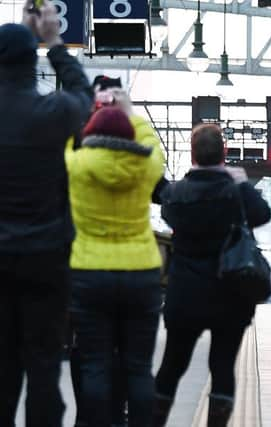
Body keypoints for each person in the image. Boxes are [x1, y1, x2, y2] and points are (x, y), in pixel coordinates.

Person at [0, 1, 93, 425]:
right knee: (43, 367)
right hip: (46, 261)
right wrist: (52, 41)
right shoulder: (51, 114)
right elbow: (82, 95)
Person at [153, 124, 271, 427]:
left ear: (192, 154)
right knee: (222, 367)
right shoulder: (234, 192)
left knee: (171, 367)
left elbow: (162, 201)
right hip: (229, 296)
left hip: (184, 297)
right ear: (225, 154)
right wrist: (243, 183)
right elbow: (262, 214)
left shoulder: (176, 194)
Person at [65, 101, 165, 427]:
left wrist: (84, 115)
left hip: (89, 273)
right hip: (141, 274)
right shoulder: (146, 167)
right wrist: (130, 110)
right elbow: (154, 146)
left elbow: (64, 140)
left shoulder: (76, 165)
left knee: (95, 364)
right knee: (138, 367)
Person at [68, 75, 129, 427]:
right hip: (124, 269)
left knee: (87, 345)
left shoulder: (75, 150)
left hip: (83, 267)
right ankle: (115, 416)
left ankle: (88, 418)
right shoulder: (136, 153)